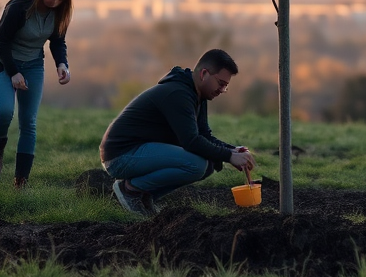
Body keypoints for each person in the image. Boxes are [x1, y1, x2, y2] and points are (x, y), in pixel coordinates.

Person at [100, 48, 255, 216]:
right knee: (196, 165)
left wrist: (232, 150)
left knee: (208, 165)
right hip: (120, 156)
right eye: (221, 83)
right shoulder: (178, 94)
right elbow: (191, 141)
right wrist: (229, 156)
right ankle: (130, 189)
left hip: (139, 152)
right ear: (204, 73)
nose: (222, 90)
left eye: (225, 86)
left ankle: (144, 196)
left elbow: (204, 136)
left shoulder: (198, 95)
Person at [0, 0, 73, 188]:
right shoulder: (19, 6)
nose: (55, 2)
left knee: (28, 123)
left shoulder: (59, 12)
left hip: (33, 65)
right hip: (3, 62)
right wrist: (13, 72)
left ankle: (20, 181)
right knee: (5, 111)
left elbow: (57, 41)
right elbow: (0, 42)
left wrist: (62, 64)